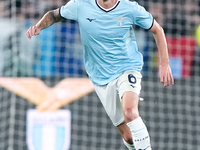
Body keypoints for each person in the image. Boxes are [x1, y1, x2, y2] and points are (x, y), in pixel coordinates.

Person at [26, 0, 174, 149]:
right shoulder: (80, 5)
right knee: (129, 137)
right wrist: (39, 26)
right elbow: (54, 15)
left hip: (127, 67)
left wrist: (164, 64)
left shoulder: (130, 8)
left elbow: (157, 29)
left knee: (130, 112)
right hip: (100, 77)